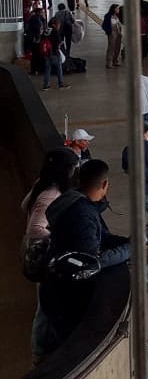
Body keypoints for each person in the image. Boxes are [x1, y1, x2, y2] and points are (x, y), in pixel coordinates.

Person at [40, 159, 131, 354]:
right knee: (67, 349)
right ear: (105, 184)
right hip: (66, 297)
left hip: (53, 285)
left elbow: (100, 235)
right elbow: (91, 262)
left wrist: (124, 242)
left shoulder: (74, 200)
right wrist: (129, 250)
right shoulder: (84, 215)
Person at [21, 147, 81, 362]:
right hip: (42, 254)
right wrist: (58, 233)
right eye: (72, 169)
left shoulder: (41, 184)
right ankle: (38, 353)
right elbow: (36, 228)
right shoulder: (51, 194)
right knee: (45, 303)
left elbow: (23, 205)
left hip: (33, 250)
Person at [41, 18, 69, 91]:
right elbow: (57, 43)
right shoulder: (55, 31)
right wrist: (60, 44)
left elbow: (42, 40)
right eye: (58, 25)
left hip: (46, 52)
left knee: (47, 69)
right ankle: (61, 83)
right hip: (54, 53)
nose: (59, 26)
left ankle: (46, 85)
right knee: (59, 68)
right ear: (55, 24)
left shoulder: (46, 30)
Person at [102, 3, 123, 68]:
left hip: (118, 32)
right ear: (114, 9)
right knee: (111, 47)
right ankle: (109, 62)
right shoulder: (108, 16)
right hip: (112, 32)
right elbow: (104, 25)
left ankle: (115, 60)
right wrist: (108, 31)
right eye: (117, 8)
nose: (119, 9)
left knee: (117, 47)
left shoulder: (117, 16)